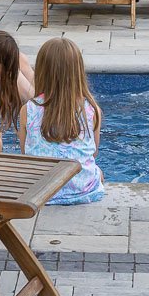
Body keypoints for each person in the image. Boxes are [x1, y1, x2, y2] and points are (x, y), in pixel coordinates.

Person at [19, 37, 106, 204]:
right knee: (98, 171)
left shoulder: (28, 109)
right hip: (82, 190)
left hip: (39, 192)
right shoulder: (91, 109)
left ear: (42, 71)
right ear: (78, 71)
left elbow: (26, 153)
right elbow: (93, 152)